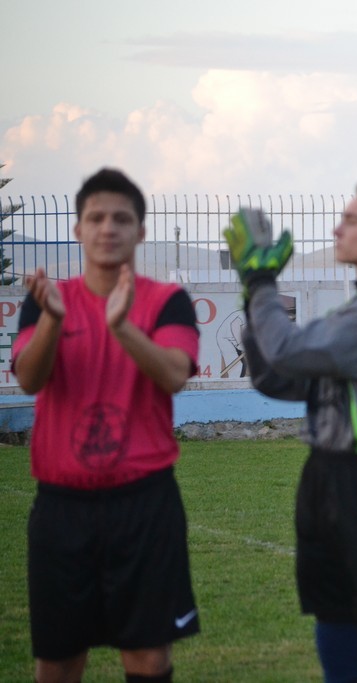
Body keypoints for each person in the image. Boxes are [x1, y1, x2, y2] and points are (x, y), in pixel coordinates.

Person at [224, 181, 357, 683]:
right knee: (335, 611)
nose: (337, 229)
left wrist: (261, 282)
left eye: (351, 220)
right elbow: (279, 378)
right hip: (324, 475)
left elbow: (289, 352)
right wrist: (254, 299)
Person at [12, 168, 201, 683]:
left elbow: (174, 375)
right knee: (58, 660)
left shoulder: (167, 300)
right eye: (96, 218)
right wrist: (52, 320)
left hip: (145, 505)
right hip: (62, 508)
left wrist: (120, 326)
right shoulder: (46, 300)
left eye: (122, 218)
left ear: (141, 231)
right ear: (78, 229)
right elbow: (29, 379)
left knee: (148, 659)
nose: (108, 228)